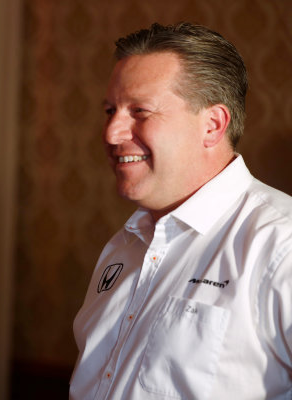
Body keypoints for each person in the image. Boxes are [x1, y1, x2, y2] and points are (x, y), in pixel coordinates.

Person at [70, 22, 292, 399]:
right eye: (110, 110)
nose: (111, 133)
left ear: (212, 125)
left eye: (139, 111)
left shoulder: (280, 244)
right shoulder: (124, 246)